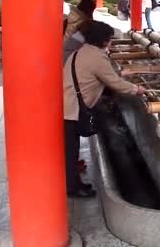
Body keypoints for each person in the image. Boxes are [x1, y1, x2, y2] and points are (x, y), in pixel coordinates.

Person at [63, 21, 147, 197]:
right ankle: (72, 188)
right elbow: (114, 83)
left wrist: (123, 74)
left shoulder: (84, 51)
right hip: (71, 108)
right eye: (109, 39)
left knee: (71, 149)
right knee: (70, 152)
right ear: (101, 40)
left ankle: (74, 183)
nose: (110, 43)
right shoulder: (96, 56)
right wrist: (137, 89)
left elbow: (104, 75)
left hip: (67, 104)